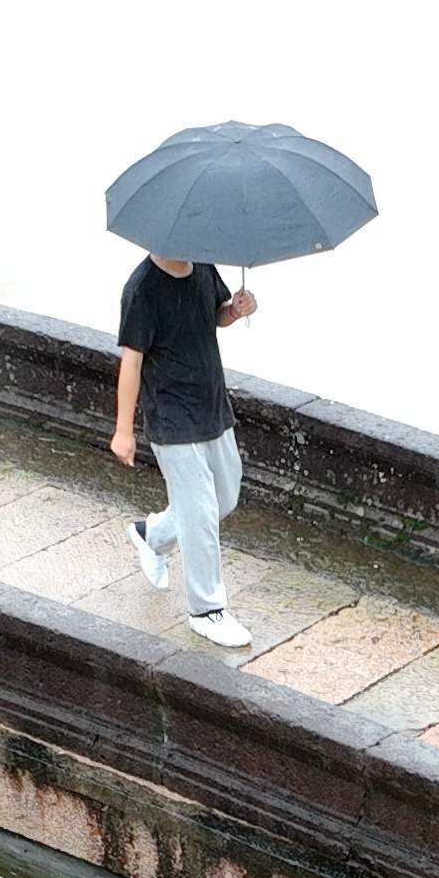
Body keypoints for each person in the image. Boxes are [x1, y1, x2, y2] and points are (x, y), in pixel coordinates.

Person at [110, 249, 259, 650]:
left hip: (212, 403)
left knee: (223, 498)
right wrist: (124, 430)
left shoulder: (204, 264)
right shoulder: (141, 289)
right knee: (201, 515)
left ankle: (152, 534)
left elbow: (215, 315)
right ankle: (206, 610)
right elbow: (132, 363)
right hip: (172, 415)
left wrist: (236, 309)